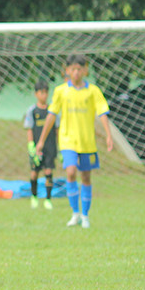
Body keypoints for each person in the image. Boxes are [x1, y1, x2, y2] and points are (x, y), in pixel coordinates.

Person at [35, 54, 113, 228]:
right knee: (70, 172)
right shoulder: (61, 91)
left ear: (85, 70)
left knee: (85, 176)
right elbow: (51, 116)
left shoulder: (93, 91)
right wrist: (41, 141)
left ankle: (85, 215)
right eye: (73, 69)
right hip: (67, 140)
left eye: (79, 69)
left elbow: (102, 113)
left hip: (87, 142)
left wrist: (108, 135)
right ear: (67, 70)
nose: (76, 72)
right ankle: (74, 213)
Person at [24, 79, 58, 210]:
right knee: (34, 173)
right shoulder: (32, 111)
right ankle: (34, 197)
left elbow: (57, 129)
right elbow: (29, 128)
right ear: (36, 94)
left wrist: (59, 147)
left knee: (48, 172)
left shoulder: (52, 111)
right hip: (36, 148)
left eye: (45, 92)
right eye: (41, 93)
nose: (44, 95)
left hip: (50, 146)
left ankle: (48, 199)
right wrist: (31, 145)